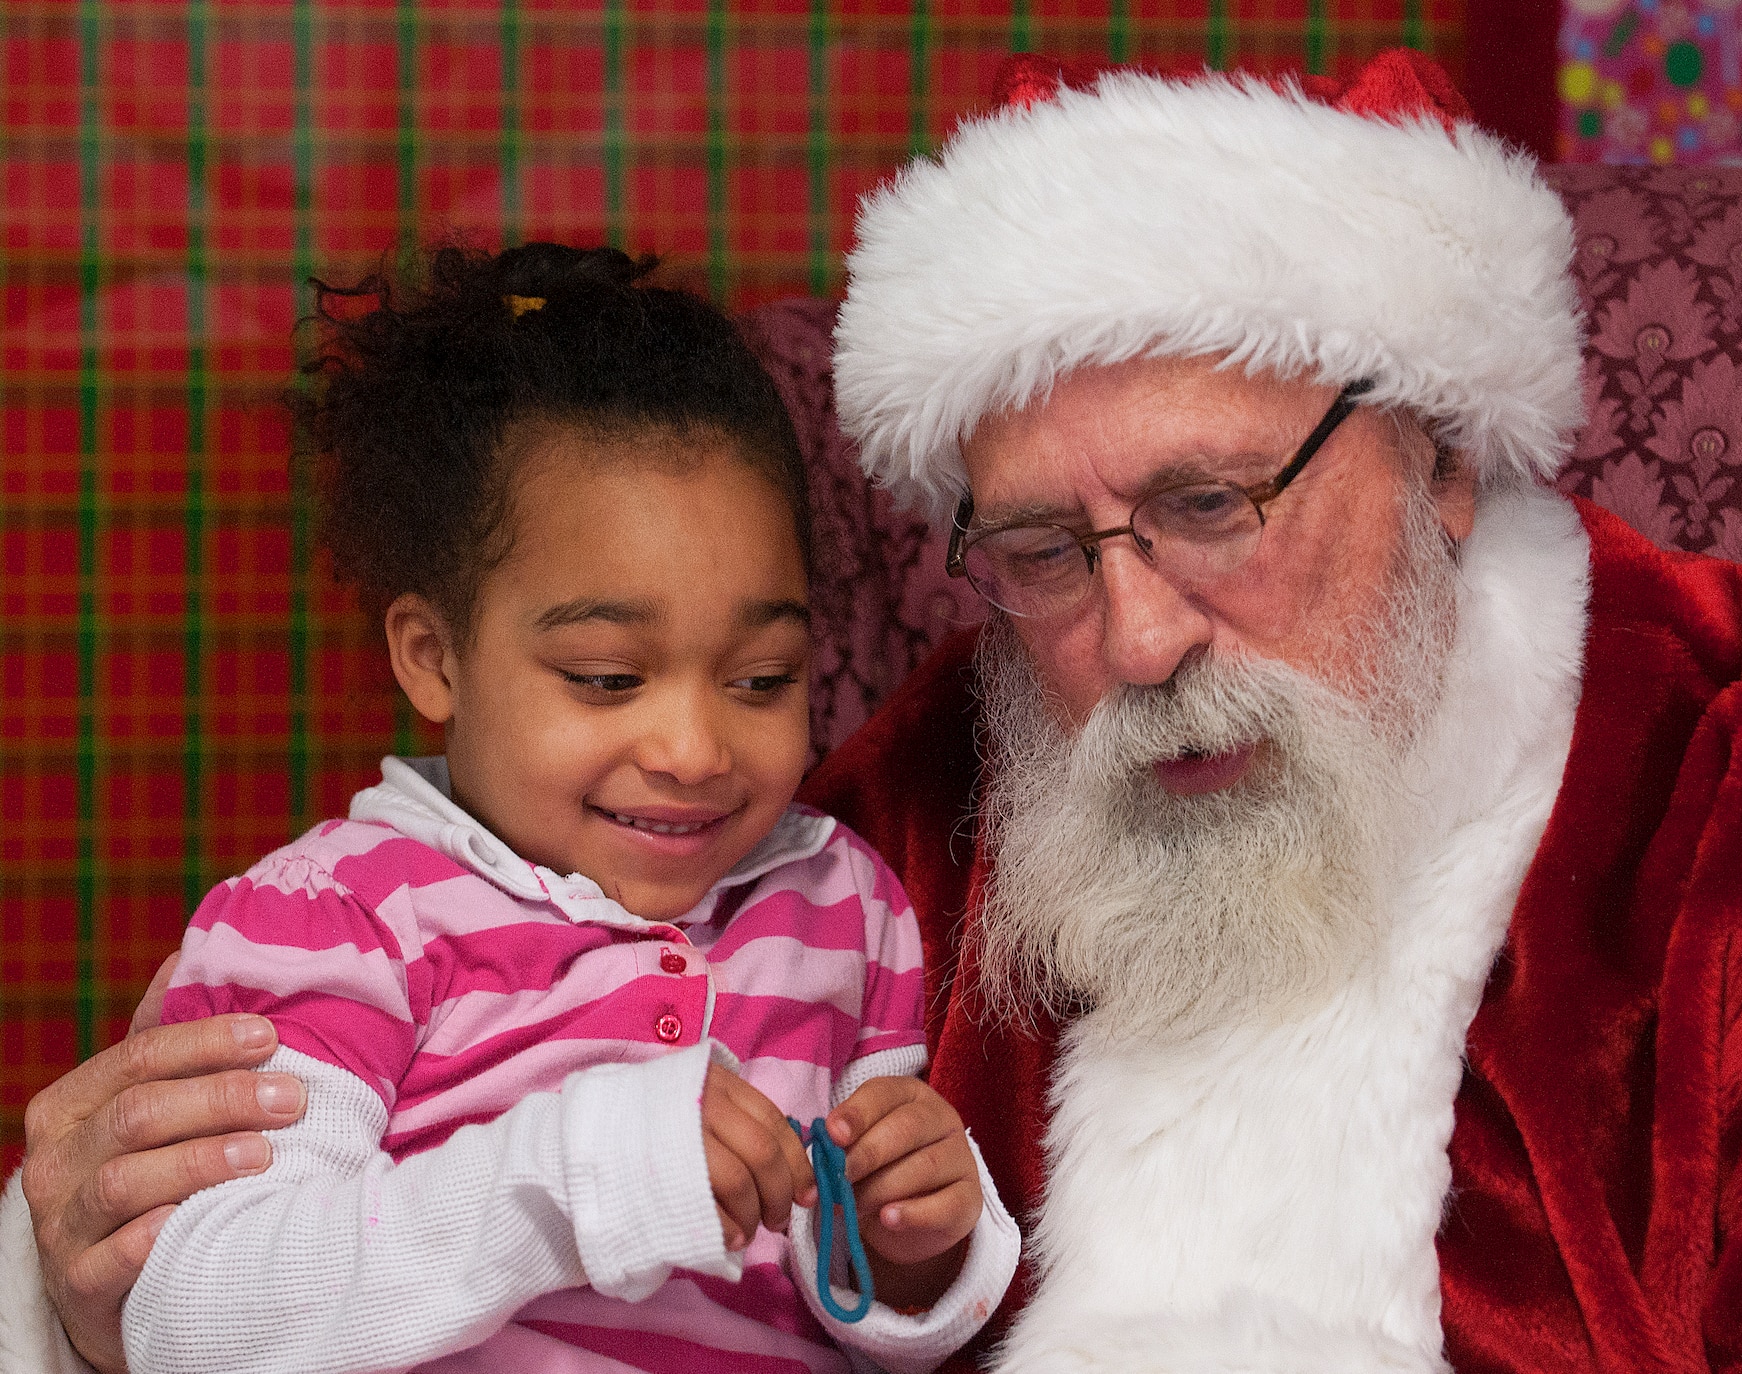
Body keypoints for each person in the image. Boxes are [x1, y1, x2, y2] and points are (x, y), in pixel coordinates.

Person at [10, 47, 1742, 1374]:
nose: (1132, 640)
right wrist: (83, 1280)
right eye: (1043, 548)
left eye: (1212, 508)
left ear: (1442, 460)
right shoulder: (925, 802)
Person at [7, 243, 1018, 1374]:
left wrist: (918, 1249)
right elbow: (200, 1315)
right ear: (434, 657)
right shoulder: (339, 917)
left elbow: (859, 1303)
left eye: (761, 680)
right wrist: (581, 1171)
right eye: (604, 678)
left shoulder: (843, 904)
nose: (692, 750)